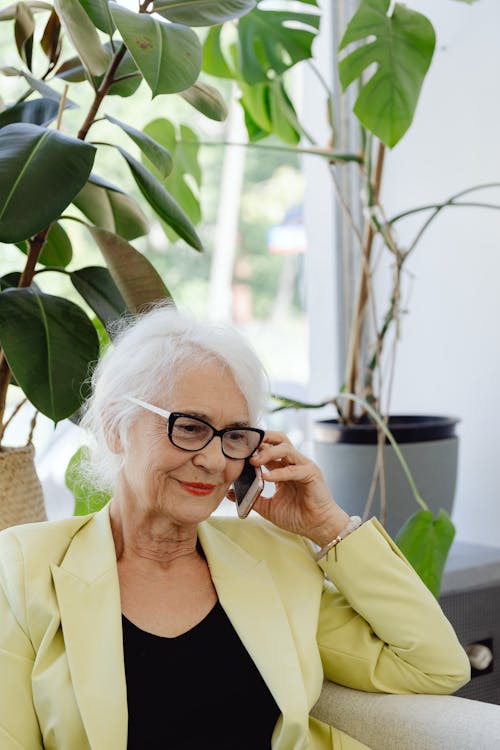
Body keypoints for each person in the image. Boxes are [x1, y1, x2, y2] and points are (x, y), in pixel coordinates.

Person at [0, 303, 469, 750]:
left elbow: (434, 666)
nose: (213, 459)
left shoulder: (275, 558)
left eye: (234, 436)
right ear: (114, 426)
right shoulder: (26, 567)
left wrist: (327, 527)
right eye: (188, 427)